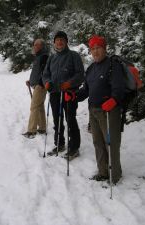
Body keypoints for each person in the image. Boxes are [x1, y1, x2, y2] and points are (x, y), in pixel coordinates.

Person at [77, 35, 125, 184]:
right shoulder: (91, 68)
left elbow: (119, 88)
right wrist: (73, 96)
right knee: (98, 142)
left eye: (98, 48)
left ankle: (114, 175)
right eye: (92, 48)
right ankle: (103, 171)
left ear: (104, 49)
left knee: (111, 143)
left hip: (109, 111)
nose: (95, 51)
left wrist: (114, 100)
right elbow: (86, 90)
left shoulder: (113, 64)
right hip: (93, 110)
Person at [42, 31, 84, 160]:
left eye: (62, 40)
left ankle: (74, 147)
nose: (59, 42)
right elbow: (46, 74)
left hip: (69, 93)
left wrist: (69, 83)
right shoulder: (52, 58)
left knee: (70, 119)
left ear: (66, 42)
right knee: (57, 120)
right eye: (57, 40)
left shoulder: (74, 56)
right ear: (54, 43)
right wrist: (47, 82)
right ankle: (59, 143)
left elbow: (80, 74)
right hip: (55, 93)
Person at [22, 39, 49, 139]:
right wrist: (31, 81)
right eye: (34, 45)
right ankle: (42, 128)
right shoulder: (38, 57)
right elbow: (37, 72)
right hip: (37, 84)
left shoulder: (44, 57)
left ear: (42, 46)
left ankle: (31, 130)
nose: (35, 46)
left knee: (33, 107)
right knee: (40, 106)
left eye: (37, 45)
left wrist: (41, 83)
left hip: (40, 86)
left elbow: (45, 72)